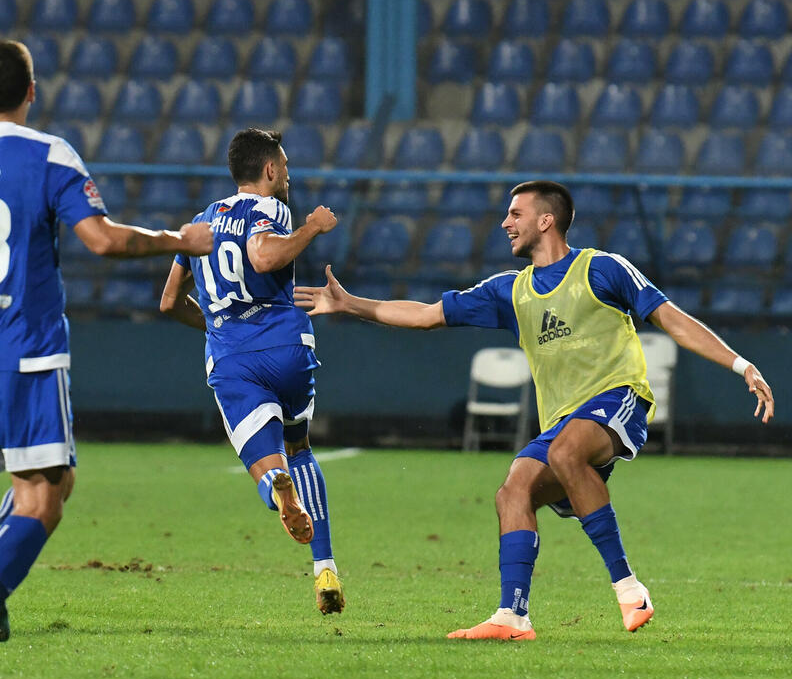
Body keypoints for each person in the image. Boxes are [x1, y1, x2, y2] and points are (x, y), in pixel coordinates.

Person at [294, 179, 774, 640]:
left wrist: (741, 364)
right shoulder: (510, 290)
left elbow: (672, 319)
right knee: (513, 491)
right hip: (564, 422)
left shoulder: (603, 269)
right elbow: (426, 315)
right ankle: (513, 615)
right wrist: (351, 304)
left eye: (515, 214)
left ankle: (630, 589)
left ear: (546, 221)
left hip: (619, 398)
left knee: (564, 453)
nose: (505, 223)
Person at [0, 39, 213, 678]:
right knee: (42, 503)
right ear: (32, 92)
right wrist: (180, 240)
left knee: (52, 481)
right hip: (27, 351)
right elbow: (101, 240)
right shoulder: (46, 155)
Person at [158, 128, 346, 615]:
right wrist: (312, 227)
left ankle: (277, 488)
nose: (288, 176)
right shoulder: (270, 207)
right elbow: (263, 256)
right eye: (285, 167)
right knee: (298, 447)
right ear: (269, 170)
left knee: (269, 467)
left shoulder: (198, 224)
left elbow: (169, 301)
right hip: (286, 346)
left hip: (232, 360)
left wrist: (217, 324)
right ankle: (324, 567)